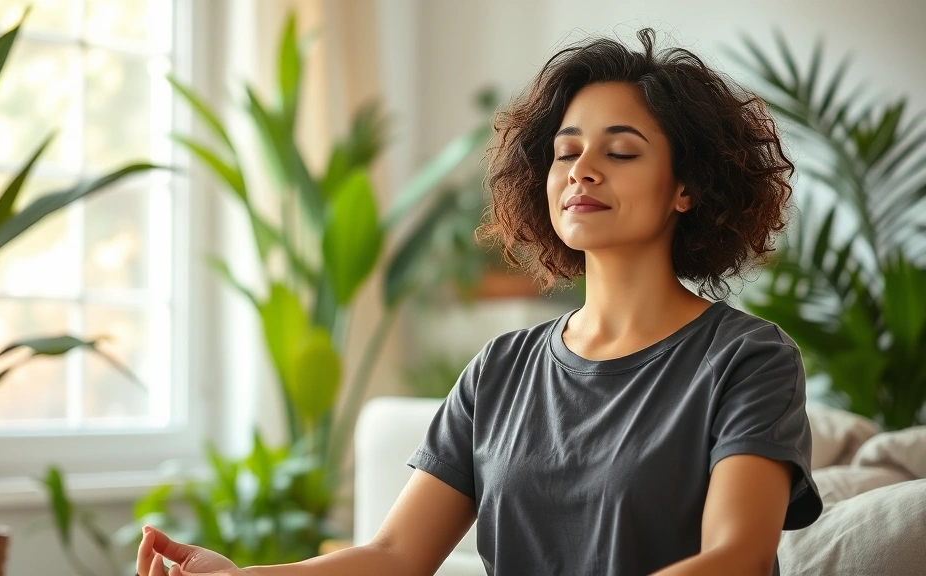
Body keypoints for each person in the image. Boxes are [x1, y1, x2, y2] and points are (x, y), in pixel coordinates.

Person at [138, 27, 823, 576]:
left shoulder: (747, 359)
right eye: (565, 152)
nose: (582, 169)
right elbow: (395, 557)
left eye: (621, 152)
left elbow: (735, 559)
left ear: (687, 187)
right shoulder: (501, 370)